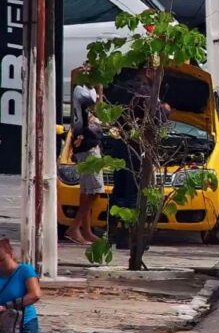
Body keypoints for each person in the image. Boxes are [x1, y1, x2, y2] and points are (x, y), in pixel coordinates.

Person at [105, 66, 171, 249]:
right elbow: (154, 119)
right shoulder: (145, 92)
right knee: (133, 192)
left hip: (120, 143)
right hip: (135, 146)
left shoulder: (121, 88)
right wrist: (164, 110)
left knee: (119, 190)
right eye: (157, 72)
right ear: (148, 71)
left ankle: (112, 233)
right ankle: (129, 236)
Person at [67, 83, 104, 245]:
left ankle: (86, 230)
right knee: (95, 189)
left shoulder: (89, 92)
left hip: (90, 143)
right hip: (87, 145)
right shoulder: (82, 91)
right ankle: (75, 227)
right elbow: (91, 104)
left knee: (87, 190)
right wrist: (99, 91)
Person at [0, 239, 42, 333]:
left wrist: (6, 306)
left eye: (2, 260)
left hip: (25, 321)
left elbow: (35, 295)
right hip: (3, 322)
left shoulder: (25, 270)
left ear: (10, 254)